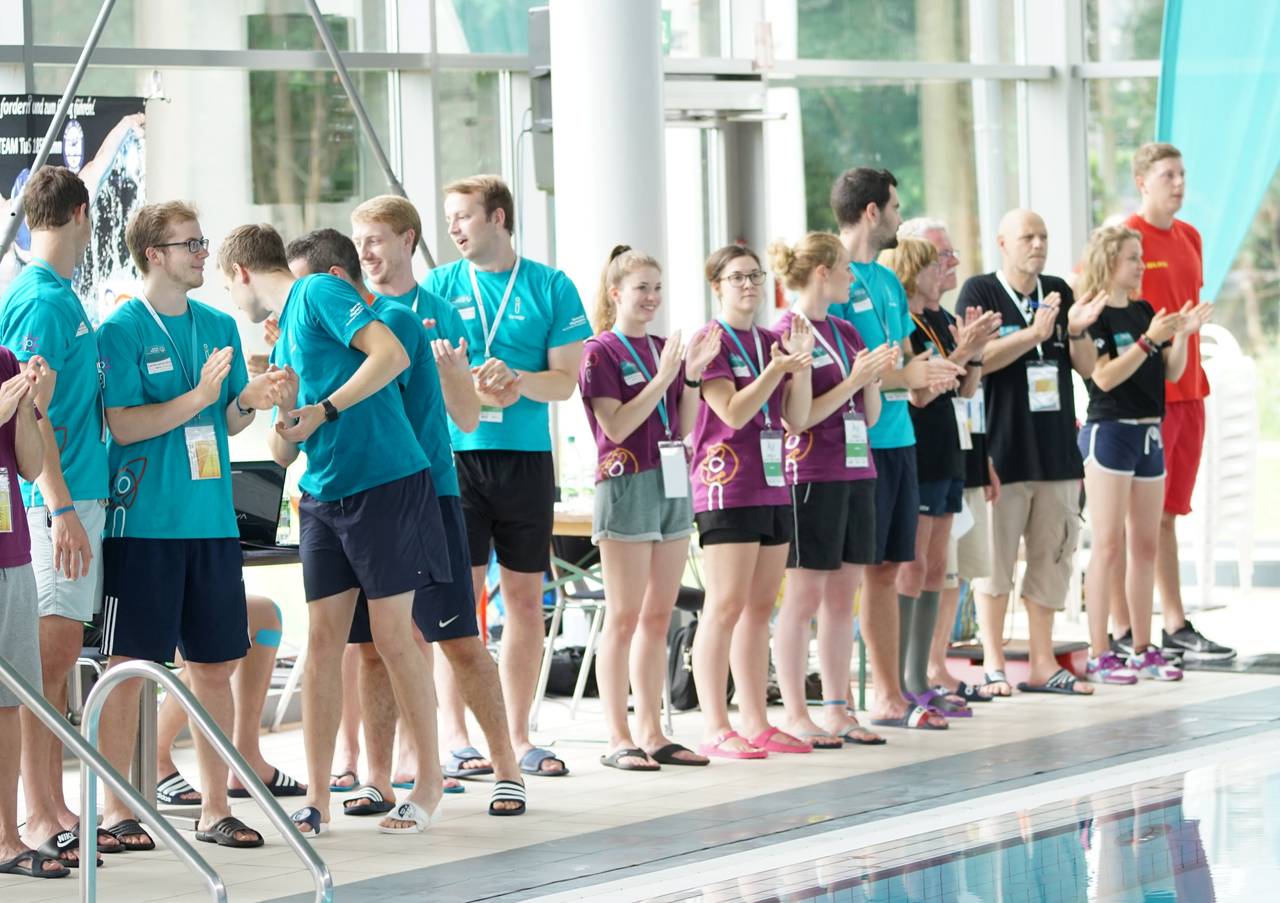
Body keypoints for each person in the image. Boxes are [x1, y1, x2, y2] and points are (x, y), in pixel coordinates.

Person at [220, 222, 449, 836]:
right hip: (322, 496)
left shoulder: (318, 290)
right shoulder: (285, 341)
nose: (232, 300)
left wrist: (323, 408)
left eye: (228, 286)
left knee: (393, 637)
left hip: (384, 481)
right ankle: (317, 796)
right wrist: (284, 409)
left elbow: (391, 355)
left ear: (242, 273)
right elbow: (283, 450)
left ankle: (427, 782)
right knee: (322, 644)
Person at [288, 224, 524, 815]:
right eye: (359, 240)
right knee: (371, 646)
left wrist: (459, 377)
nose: (367, 250)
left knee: (456, 638)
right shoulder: (338, 320)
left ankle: (506, 767)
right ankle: (379, 776)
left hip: (426, 493)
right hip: (354, 497)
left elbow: (466, 416)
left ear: (407, 241)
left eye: (376, 239)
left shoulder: (416, 317)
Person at [93, 202, 291, 851]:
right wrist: (199, 398)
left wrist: (247, 400)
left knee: (215, 665)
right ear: (155, 253)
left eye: (203, 242)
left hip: (210, 523)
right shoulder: (120, 329)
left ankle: (214, 807)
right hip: (144, 526)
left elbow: (226, 422)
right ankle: (117, 809)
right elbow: (123, 425)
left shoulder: (217, 324)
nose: (204, 253)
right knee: (129, 666)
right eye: (191, 244)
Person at [423, 175, 592, 778]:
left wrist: (517, 381)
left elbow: (565, 381)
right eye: (449, 217)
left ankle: (519, 734)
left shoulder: (550, 285)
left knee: (524, 601)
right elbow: (422, 373)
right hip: (458, 459)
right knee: (458, 602)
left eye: (464, 215)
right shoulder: (439, 286)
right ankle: (456, 736)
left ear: (498, 217)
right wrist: (466, 381)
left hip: (525, 460)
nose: (453, 228)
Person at [0, 165, 113, 866]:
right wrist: (60, 505)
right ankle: (38, 808)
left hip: (73, 496)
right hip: (52, 503)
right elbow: (27, 414)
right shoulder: (40, 300)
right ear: (81, 213)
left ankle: (51, 800)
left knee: (59, 656)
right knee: (47, 657)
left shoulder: (61, 295)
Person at [826, 168, 962, 731]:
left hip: (901, 437)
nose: (901, 219)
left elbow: (907, 360)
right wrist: (909, 376)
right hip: (855, 445)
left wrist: (936, 374)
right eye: (896, 208)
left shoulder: (885, 280)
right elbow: (841, 368)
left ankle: (889, 694)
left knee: (888, 570)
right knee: (846, 576)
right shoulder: (831, 275)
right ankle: (838, 700)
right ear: (871, 212)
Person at [578, 246, 719, 770]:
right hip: (626, 482)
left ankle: (652, 730)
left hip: (671, 477)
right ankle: (617, 735)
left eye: (657, 288)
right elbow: (615, 426)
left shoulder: (664, 349)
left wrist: (691, 377)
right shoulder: (599, 352)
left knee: (659, 614)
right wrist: (662, 379)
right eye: (641, 288)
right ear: (616, 293)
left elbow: (683, 424)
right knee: (623, 615)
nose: (651, 298)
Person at [954, 209, 1106, 697]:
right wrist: (1032, 336)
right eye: (1027, 237)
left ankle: (1043, 663)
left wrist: (1075, 330)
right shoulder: (981, 292)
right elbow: (977, 359)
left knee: (1052, 558)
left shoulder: (1058, 291)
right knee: (995, 563)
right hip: (1003, 450)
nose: (1038, 244)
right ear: (1003, 243)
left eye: (1043, 236)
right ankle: (994, 664)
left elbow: (1088, 368)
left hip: (1056, 451)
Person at [767, 232, 895, 748]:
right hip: (811, 474)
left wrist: (871, 378)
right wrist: (853, 381)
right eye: (844, 269)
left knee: (845, 597)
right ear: (822, 272)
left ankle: (838, 707)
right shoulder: (786, 333)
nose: (851, 279)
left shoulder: (845, 331)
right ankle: (796, 711)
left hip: (856, 470)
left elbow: (871, 415)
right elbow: (797, 419)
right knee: (804, 596)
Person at [689, 244, 814, 759]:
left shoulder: (769, 342)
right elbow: (734, 412)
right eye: (737, 277)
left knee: (760, 607)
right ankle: (715, 724)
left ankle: (756, 720)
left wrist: (801, 367)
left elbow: (797, 419)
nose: (748, 285)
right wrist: (775, 371)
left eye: (755, 276)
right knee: (724, 605)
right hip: (726, 484)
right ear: (717, 286)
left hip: (772, 480)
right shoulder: (710, 341)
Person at [1116, 143, 1235, 663]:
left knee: (1168, 514)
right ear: (1143, 181)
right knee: (1135, 518)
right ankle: (1125, 626)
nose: (1179, 184)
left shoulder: (1191, 237)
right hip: (1146, 396)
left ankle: (1174, 624)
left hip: (1190, 392)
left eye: (1183, 174)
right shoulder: (1126, 238)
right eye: (1168, 175)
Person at [1077, 225, 1209, 683]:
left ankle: (1142, 646)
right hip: (1111, 432)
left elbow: (1171, 371)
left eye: (1140, 257)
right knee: (1108, 544)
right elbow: (1104, 377)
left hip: (1149, 431)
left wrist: (1183, 336)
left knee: (1146, 544)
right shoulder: (1095, 315)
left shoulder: (1144, 311)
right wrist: (1148, 341)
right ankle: (1099, 651)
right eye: (1133, 258)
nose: (1141, 266)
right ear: (1110, 262)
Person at [883, 238, 999, 716]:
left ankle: (922, 673)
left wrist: (975, 352)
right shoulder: (906, 327)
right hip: (919, 448)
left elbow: (963, 389)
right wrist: (965, 346)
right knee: (912, 566)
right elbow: (921, 394)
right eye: (936, 264)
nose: (945, 271)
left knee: (936, 567)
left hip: (950, 449)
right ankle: (903, 678)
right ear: (913, 272)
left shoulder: (939, 320)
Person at [0, 348, 62, 879]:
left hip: (11, 555)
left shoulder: (4, 360)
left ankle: (6, 837)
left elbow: (31, 466)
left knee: (8, 703)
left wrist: (24, 408)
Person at [153, 595, 303, 804]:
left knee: (267, 616)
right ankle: (154, 755)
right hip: (137, 609)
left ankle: (246, 757)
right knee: (215, 643)